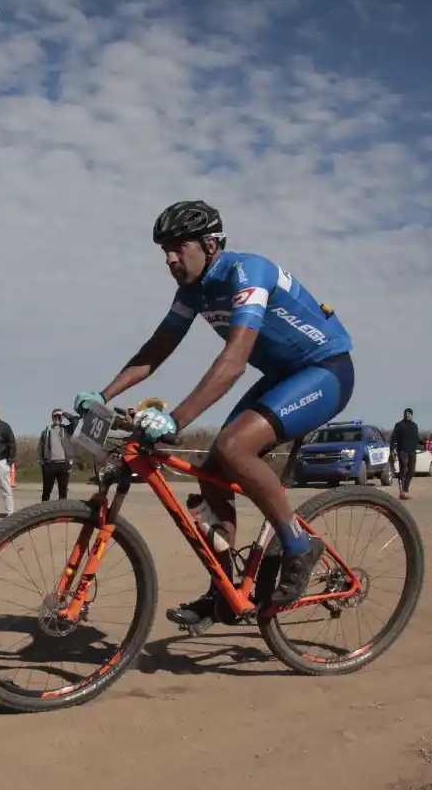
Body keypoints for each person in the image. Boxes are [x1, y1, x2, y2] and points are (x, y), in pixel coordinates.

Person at [72, 200, 354, 631]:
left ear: (208, 243)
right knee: (210, 471)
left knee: (233, 446)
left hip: (324, 370)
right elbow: (157, 349)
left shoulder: (248, 272)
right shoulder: (192, 292)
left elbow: (235, 360)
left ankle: (299, 545)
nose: (168, 258)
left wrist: (176, 419)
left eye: (176, 247)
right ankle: (223, 591)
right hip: (283, 375)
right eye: (163, 250)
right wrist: (103, 395)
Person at [38, 408, 74, 500]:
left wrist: (65, 414)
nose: (57, 418)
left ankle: (62, 512)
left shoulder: (66, 430)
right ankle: (43, 510)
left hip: (63, 464)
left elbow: (75, 422)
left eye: (59, 417)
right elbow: (40, 447)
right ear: (52, 418)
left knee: (63, 492)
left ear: (62, 418)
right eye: (55, 416)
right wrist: (42, 462)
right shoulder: (46, 432)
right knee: (46, 491)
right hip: (49, 464)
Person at [390, 407, 423, 501]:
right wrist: (392, 450)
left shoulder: (414, 426)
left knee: (411, 471)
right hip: (403, 451)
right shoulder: (399, 425)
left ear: (412, 416)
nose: (407, 415)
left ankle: (405, 490)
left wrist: (423, 443)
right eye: (406, 413)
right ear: (404, 415)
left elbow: (416, 438)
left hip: (412, 451)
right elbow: (393, 438)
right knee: (403, 470)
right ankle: (402, 492)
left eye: (409, 413)